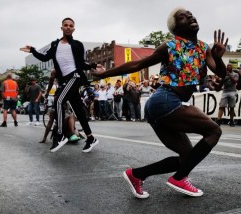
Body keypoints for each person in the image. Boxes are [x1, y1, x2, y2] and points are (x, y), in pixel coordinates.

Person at [93, 7, 227, 198]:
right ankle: (179, 178)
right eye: (182, 17)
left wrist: (219, 58)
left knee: (188, 157)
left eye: (190, 14)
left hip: (162, 107)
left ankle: (137, 174)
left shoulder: (204, 48)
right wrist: (104, 74)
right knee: (214, 131)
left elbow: (220, 72)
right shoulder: (169, 46)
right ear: (175, 29)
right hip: (165, 100)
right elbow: (137, 65)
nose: (189, 16)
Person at [20, 17, 99, 153]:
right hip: (65, 80)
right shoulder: (55, 44)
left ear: (73, 29)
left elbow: (81, 64)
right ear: (61, 27)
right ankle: (91, 138)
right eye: (65, 25)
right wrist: (33, 50)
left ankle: (60, 135)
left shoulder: (77, 45)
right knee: (79, 110)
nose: (68, 27)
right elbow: (45, 57)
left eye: (71, 25)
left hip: (75, 76)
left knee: (59, 100)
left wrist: (93, 65)